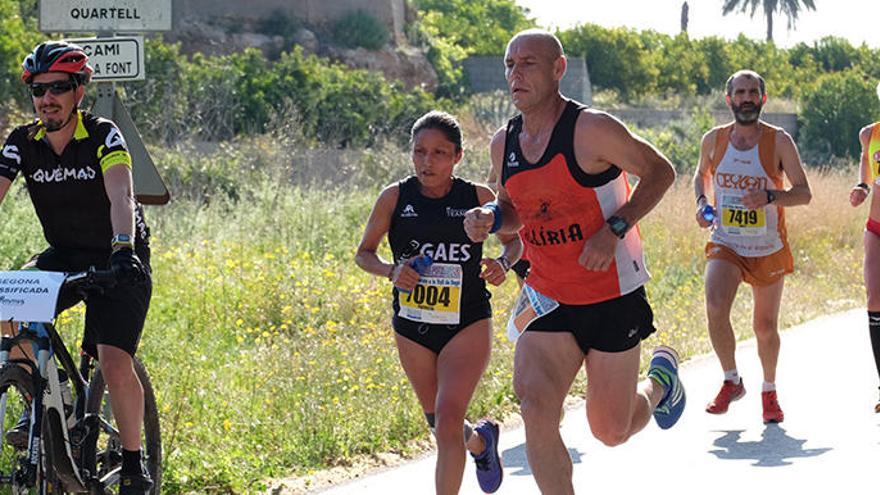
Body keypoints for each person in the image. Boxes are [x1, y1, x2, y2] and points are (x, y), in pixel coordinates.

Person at [464, 30, 683, 495]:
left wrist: (614, 228)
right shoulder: (505, 143)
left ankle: (660, 385)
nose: (515, 73)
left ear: (558, 69)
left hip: (611, 295)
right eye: (509, 64)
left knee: (611, 429)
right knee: (535, 407)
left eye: (528, 63)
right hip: (546, 293)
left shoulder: (591, 129)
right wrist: (490, 216)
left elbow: (661, 171)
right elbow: (512, 206)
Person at [0, 41, 154, 493]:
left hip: (118, 257)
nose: (47, 98)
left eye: (59, 88)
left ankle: (132, 461)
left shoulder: (103, 133)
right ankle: (47, 399)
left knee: (112, 359)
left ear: (79, 91)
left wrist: (124, 247)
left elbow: (122, 195)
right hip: (65, 254)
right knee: (9, 309)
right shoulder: (22, 142)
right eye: (38, 89)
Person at [355, 110, 521, 494]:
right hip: (412, 327)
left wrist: (502, 262)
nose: (428, 162)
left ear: (458, 156)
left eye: (439, 153)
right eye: (420, 152)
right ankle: (481, 443)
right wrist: (392, 271)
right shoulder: (395, 197)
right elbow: (364, 254)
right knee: (439, 423)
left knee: (447, 420)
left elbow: (516, 239)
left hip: (467, 323)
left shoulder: (477, 197)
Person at [693, 70, 812, 424]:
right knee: (715, 305)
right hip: (726, 240)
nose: (746, 98)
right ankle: (731, 380)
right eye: (740, 92)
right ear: (729, 99)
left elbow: (803, 193)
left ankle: (769, 391)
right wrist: (702, 203)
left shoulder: (779, 142)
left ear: (763, 98)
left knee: (764, 326)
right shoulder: (713, 140)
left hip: (767, 245)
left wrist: (771, 196)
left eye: (752, 92)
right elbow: (702, 175)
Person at [849, 81, 880, 413]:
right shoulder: (869, 133)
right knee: (874, 297)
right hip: (876, 227)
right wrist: (862, 186)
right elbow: (867, 167)